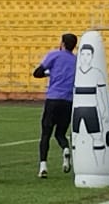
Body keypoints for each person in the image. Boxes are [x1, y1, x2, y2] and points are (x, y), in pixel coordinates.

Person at [33, 32, 77, 178]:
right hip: (69, 100)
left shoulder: (55, 55)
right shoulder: (76, 60)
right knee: (60, 134)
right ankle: (65, 148)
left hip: (53, 98)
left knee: (46, 134)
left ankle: (43, 166)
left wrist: (48, 73)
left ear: (62, 43)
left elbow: (37, 73)